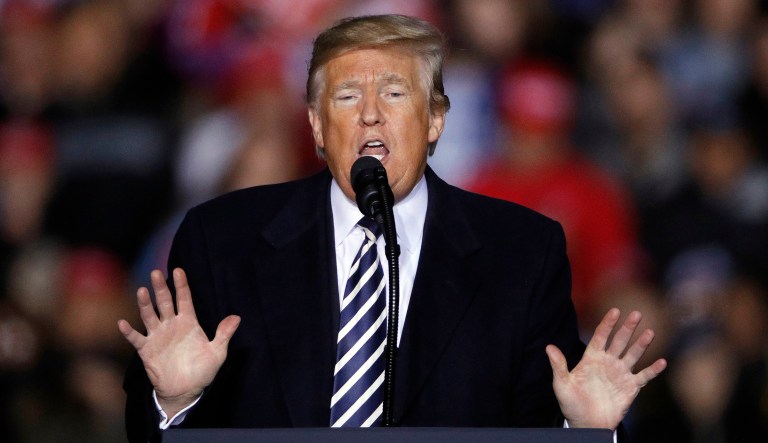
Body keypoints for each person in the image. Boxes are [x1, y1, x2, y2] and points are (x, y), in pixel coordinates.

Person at [118, 14, 666, 442]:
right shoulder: (223, 239)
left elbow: (535, 428)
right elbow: (155, 431)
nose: (371, 114)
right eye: (347, 95)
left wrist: (584, 432)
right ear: (315, 124)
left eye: (395, 93)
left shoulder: (521, 252)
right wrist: (174, 402)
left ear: (436, 120)